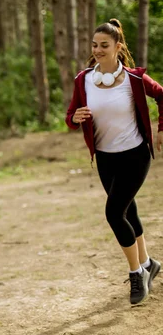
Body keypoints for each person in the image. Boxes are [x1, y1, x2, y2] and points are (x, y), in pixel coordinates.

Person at [66, 18, 163, 305]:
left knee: (113, 213)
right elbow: (71, 116)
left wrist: (162, 128)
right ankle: (148, 264)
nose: (97, 49)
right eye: (94, 45)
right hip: (105, 158)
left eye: (104, 45)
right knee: (127, 212)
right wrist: (74, 118)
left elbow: (162, 95)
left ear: (118, 47)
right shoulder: (83, 80)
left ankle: (137, 273)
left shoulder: (134, 78)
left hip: (135, 155)